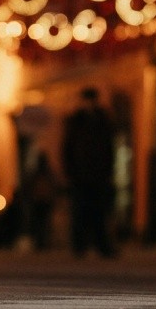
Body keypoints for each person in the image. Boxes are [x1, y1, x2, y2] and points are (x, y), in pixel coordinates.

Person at [60, 86, 117, 257]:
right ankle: (79, 246)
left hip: (98, 175)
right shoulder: (76, 121)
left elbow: (108, 147)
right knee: (80, 212)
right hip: (80, 175)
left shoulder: (102, 119)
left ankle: (102, 245)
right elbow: (67, 149)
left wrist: (108, 169)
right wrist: (70, 172)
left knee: (99, 212)